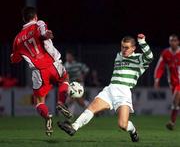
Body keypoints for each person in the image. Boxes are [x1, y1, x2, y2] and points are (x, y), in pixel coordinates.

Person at [58, 34, 153, 142]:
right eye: (122, 46)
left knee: (123, 125)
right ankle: (74, 127)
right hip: (110, 89)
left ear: (133, 48)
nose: (123, 49)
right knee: (92, 108)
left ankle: (133, 130)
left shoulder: (138, 59)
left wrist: (142, 42)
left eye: (127, 47)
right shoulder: (119, 55)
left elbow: (149, 57)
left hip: (124, 92)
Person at [11, 7, 72, 136]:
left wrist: (13, 56)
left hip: (37, 72)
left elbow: (15, 59)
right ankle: (61, 102)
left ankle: (47, 116)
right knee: (65, 79)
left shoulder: (17, 39)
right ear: (35, 16)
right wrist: (45, 35)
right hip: (52, 64)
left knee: (39, 101)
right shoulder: (39, 24)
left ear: (23, 19)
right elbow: (43, 33)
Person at [154, 34, 180, 130]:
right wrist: (157, 79)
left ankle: (172, 122)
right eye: (171, 41)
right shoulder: (166, 53)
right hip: (172, 83)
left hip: (179, 84)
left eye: (174, 40)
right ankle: (172, 122)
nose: (173, 42)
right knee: (176, 103)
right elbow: (159, 67)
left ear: (178, 42)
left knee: (175, 99)